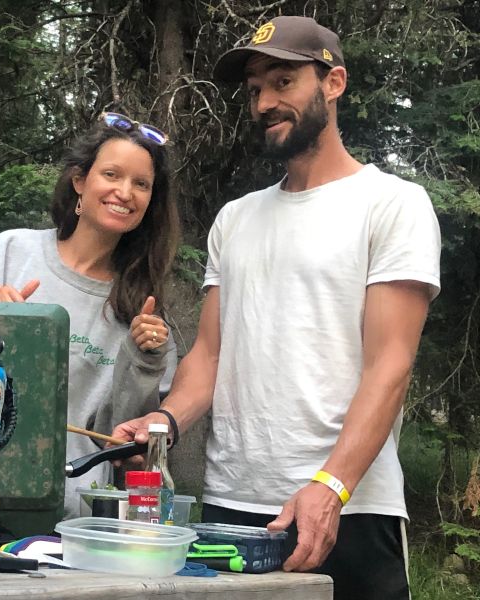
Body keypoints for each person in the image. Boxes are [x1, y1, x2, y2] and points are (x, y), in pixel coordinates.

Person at [112, 16, 441, 600]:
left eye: (283, 82)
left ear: (333, 83)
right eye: (256, 89)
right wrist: (164, 422)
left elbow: (389, 365)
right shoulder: (236, 218)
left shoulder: (392, 204)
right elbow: (211, 356)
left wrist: (331, 485)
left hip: (347, 507)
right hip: (231, 506)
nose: (265, 102)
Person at [0, 114, 180, 517]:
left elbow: (117, 442)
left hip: (70, 521)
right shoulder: (13, 252)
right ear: (79, 182)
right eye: (112, 174)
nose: (125, 192)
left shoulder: (142, 308)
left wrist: (144, 360)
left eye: (142, 184)